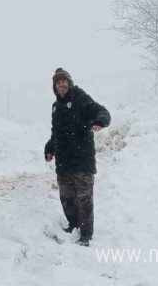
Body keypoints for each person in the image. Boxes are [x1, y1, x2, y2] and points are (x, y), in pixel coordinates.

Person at [44, 68, 110, 246]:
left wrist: (100, 120)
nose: (61, 85)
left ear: (70, 82)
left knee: (84, 200)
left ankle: (86, 235)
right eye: (58, 83)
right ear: (55, 87)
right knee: (66, 198)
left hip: (82, 160)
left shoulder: (81, 98)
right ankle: (73, 224)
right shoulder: (56, 106)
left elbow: (100, 110)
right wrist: (50, 148)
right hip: (64, 162)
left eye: (64, 81)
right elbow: (55, 132)